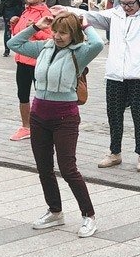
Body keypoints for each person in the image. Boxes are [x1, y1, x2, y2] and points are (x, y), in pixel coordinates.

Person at [6, 12, 104, 238]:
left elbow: (98, 43)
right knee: (44, 168)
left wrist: (85, 24)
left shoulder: (80, 52)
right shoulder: (44, 47)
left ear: (74, 34)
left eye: (64, 32)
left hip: (65, 117)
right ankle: (55, 211)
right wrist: (36, 27)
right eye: (56, 31)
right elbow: (13, 44)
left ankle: (89, 216)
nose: (58, 36)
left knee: (68, 169)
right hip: (38, 115)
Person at [59, 0, 140, 172]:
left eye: (131, 3)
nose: (126, 7)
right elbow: (90, 16)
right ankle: (115, 152)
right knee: (114, 114)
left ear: (139, 1)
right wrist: (65, 9)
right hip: (115, 73)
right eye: (123, 3)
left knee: (139, 114)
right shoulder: (115, 15)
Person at [7, 0, 54, 141]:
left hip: (37, 62)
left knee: (42, 96)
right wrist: (14, 25)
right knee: (22, 95)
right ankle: (26, 127)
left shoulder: (46, 14)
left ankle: (44, 127)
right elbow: (17, 37)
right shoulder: (26, 11)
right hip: (22, 60)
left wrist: (36, 28)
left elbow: (52, 38)